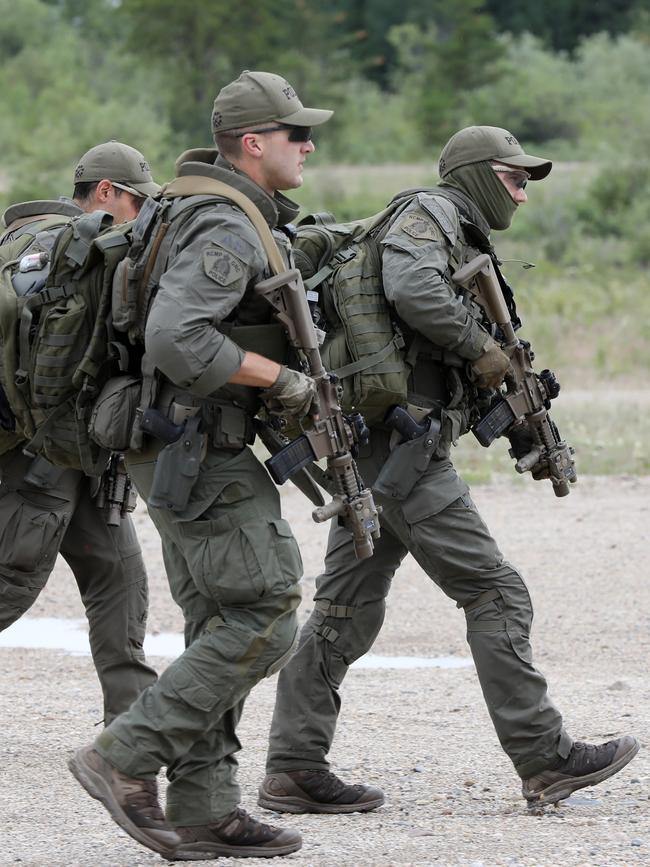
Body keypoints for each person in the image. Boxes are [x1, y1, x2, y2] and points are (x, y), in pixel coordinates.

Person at [258, 125, 640, 815]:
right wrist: (483, 349)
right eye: (514, 178)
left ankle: (291, 766)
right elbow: (413, 289)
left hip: (385, 443)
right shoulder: (430, 213)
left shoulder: (451, 227)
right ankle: (545, 757)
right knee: (496, 593)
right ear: (475, 175)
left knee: (345, 609)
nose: (522, 194)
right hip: (402, 447)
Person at [68, 71, 331, 861]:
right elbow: (177, 339)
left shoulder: (193, 208)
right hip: (198, 444)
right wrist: (281, 378)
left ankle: (206, 807)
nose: (308, 145)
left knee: (221, 617)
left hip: (175, 443)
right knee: (268, 609)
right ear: (254, 143)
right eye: (295, 134)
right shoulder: (223, 224)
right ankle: (121, 753)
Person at [0, 141, 160, 725]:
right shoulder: (83, 251)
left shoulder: (17, 245)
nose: (140, 216)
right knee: (11, 581)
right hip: (41, 451)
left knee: (118, 574)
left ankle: (132, 727)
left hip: (75, 451)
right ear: (104, 193)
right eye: (136, 201)